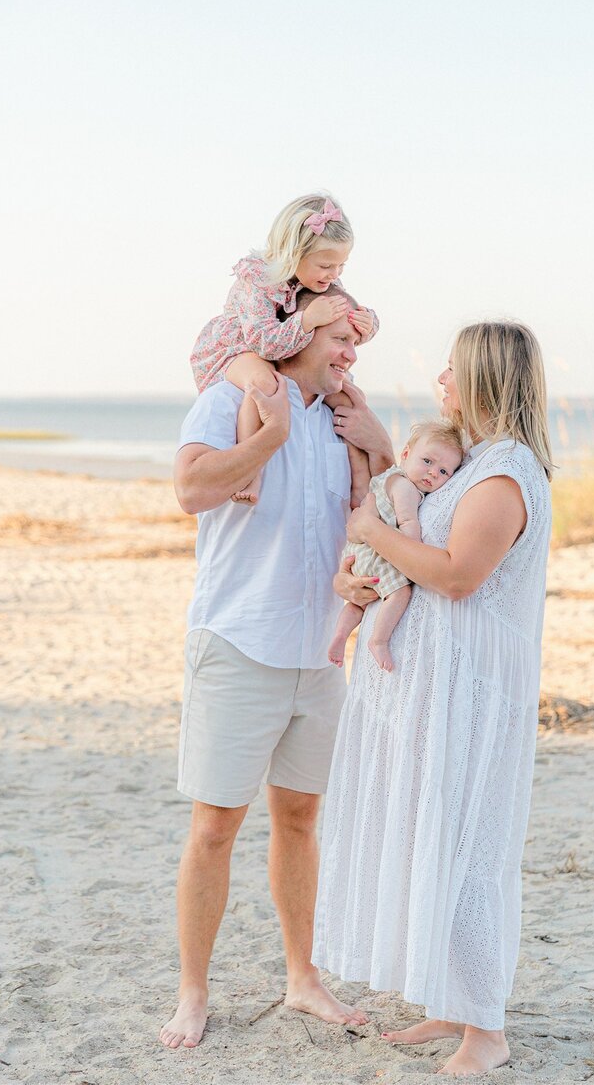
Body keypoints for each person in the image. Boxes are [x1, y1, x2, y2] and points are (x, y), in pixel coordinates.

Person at [313, 320, 554, 1078]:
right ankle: (452, 1005)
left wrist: (367, 534)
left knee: (470, 849)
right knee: (432, 836)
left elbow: (455, 576)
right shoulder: (474, 461)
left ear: (484, 378)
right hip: (429, 685)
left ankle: (486, 1031)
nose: (441, 381)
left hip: (471, 693)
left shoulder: (505, 474)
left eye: (452, 371)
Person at [159, 287, 394, 1051]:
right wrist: (270, 439)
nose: (352, 355)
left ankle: (302, 978)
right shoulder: (235, 396)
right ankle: (194, 990)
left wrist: (381, 443)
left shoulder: (344, 422)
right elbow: (192, 489)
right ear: (297, 336)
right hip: (238, 643)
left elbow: (383, 516)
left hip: (319, 653)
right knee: (215, 827)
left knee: (299, 819)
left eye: (359, 342)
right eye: (340, 339)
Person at [190, 192, 378, 504]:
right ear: (294, 255)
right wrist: (306, 321)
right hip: (240, 347)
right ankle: (251, 470)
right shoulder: (259, 280)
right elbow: (265, 341)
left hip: (282, 347)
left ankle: (360, 484)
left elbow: (344, 320)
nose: (334, 275)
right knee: (264, 384)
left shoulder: (322, 281)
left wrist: (367, 324)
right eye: (326, 265)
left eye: (341, 266)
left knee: (350, 398)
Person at [327, 419, 466, 673]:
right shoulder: (406, 488)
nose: (434, 472)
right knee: (399, 593)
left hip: (359, 554)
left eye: (444, 471)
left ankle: (340, 634)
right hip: (377, 554)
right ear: (405, 455)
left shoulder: (388, 478)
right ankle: (378, 640)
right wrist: (415, 555)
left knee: (358, 604)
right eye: (427, 461)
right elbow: (407, 522)